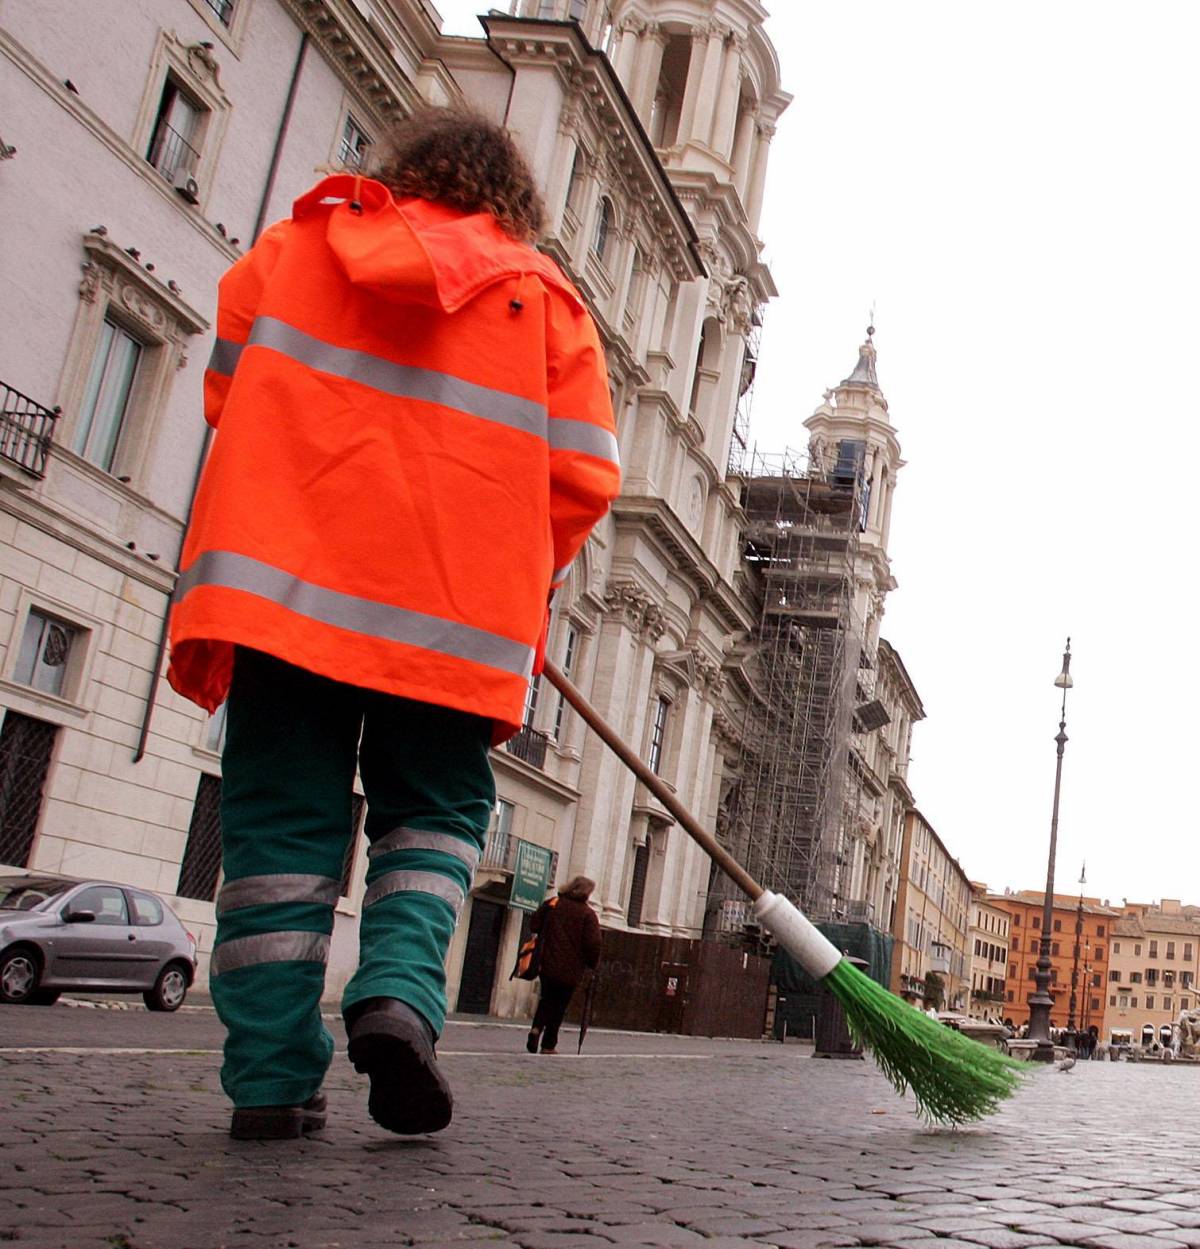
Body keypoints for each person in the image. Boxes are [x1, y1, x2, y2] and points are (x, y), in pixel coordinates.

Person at [167, 107, 621, 1139]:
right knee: (432, 821)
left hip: (283, 602)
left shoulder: (290, 251)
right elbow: (586, 476)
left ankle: (272, 1083)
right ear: (515, 206)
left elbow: (227, 394)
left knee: (279, 837)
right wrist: (515, 570)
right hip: (449, 620)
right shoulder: (547, 306)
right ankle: (400, 999)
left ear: (403, 171)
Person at [526, 876, 602, 1055]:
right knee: (559, 1005)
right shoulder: (587, 914)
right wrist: (592, 963)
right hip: (571, 969)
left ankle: (536, 1028)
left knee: (546, 998)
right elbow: (593, 943)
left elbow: (534, 924)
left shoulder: (553, 903)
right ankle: (548, 1044)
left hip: (547, 962)